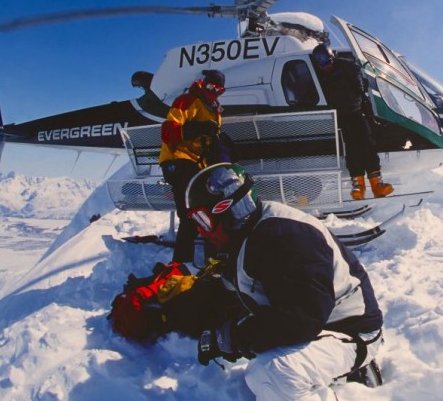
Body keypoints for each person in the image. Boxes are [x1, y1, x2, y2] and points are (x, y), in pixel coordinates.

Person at [185, 162, 384, 400]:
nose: (200, 231)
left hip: (350, 331)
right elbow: (235, 288)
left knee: (271, 374)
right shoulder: (245, 234)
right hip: (317, 323)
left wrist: (236, 337)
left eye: (203, 220)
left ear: (231, 210)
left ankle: (346, 370)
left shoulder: (287, 237)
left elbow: (302, 319)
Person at [311, 43, 393, 200]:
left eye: (327, 63)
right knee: (352, 149)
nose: (325, 67)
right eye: (321, 65)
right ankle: (358, 187)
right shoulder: (320, 75)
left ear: (332, 59)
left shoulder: (346, 66)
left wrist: (360, 84)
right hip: (341, 117)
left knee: (367, 145)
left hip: (357, 112)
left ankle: (377, 185)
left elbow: (360, 83)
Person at [159, 69, 225, 263]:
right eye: (211, 87)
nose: (215, 92)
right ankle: (181, 265)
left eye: (220, 90)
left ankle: (212, 262)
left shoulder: (215, 110)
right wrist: (197, 129)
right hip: (177, 160)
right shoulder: (187, 101)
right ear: (203, 84)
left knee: (211, 211)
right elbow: (168, 132)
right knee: (191, 215)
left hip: (198, 165)